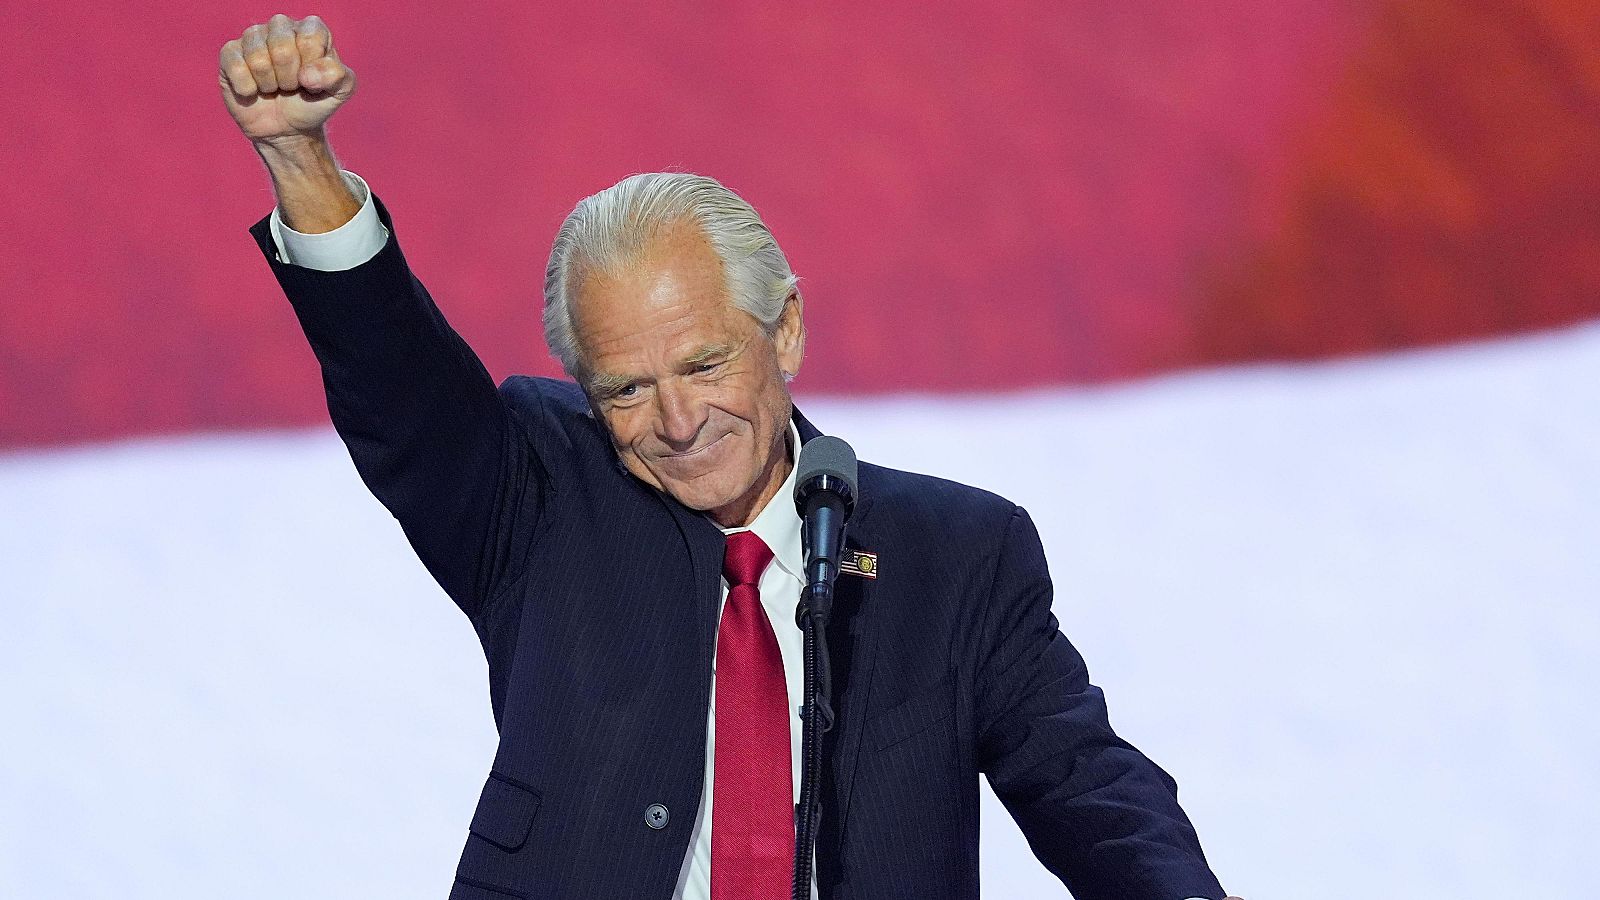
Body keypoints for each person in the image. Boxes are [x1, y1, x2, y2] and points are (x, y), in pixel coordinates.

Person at [220, 14, 1238, 900]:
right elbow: (400, 386)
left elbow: (1082, 779)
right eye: (625, 388)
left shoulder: (957, 555)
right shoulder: (540, 504)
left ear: (783, 330)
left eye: (704, 364)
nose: (677, 419)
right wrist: (304, 163)